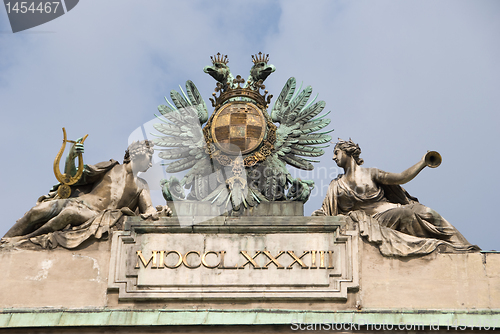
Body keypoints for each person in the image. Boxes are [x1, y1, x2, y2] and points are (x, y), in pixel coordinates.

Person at [313, 139, 477, 255]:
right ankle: (441, 247)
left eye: (336, 152)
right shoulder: (336, 185)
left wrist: (423, 162)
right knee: (407, 215)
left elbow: (401, 177)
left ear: (348, 152)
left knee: (429, 213)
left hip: (392, 209)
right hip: (374, 220)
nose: (334, 157)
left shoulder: (371, 173)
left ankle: (463, 247)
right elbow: (327, 210)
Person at [2, 140, 166, 248]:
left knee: (68, 214)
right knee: (37, 211)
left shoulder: (141, 186)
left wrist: (163, 210)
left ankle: (24, 240)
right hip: (78, 202)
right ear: (137, 153)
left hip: (95, 215)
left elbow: (148, 209)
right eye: (149, 157)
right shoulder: (110, 167)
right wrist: (71, 157)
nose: (151, 163)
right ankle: (4, 242)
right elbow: (74, 175)